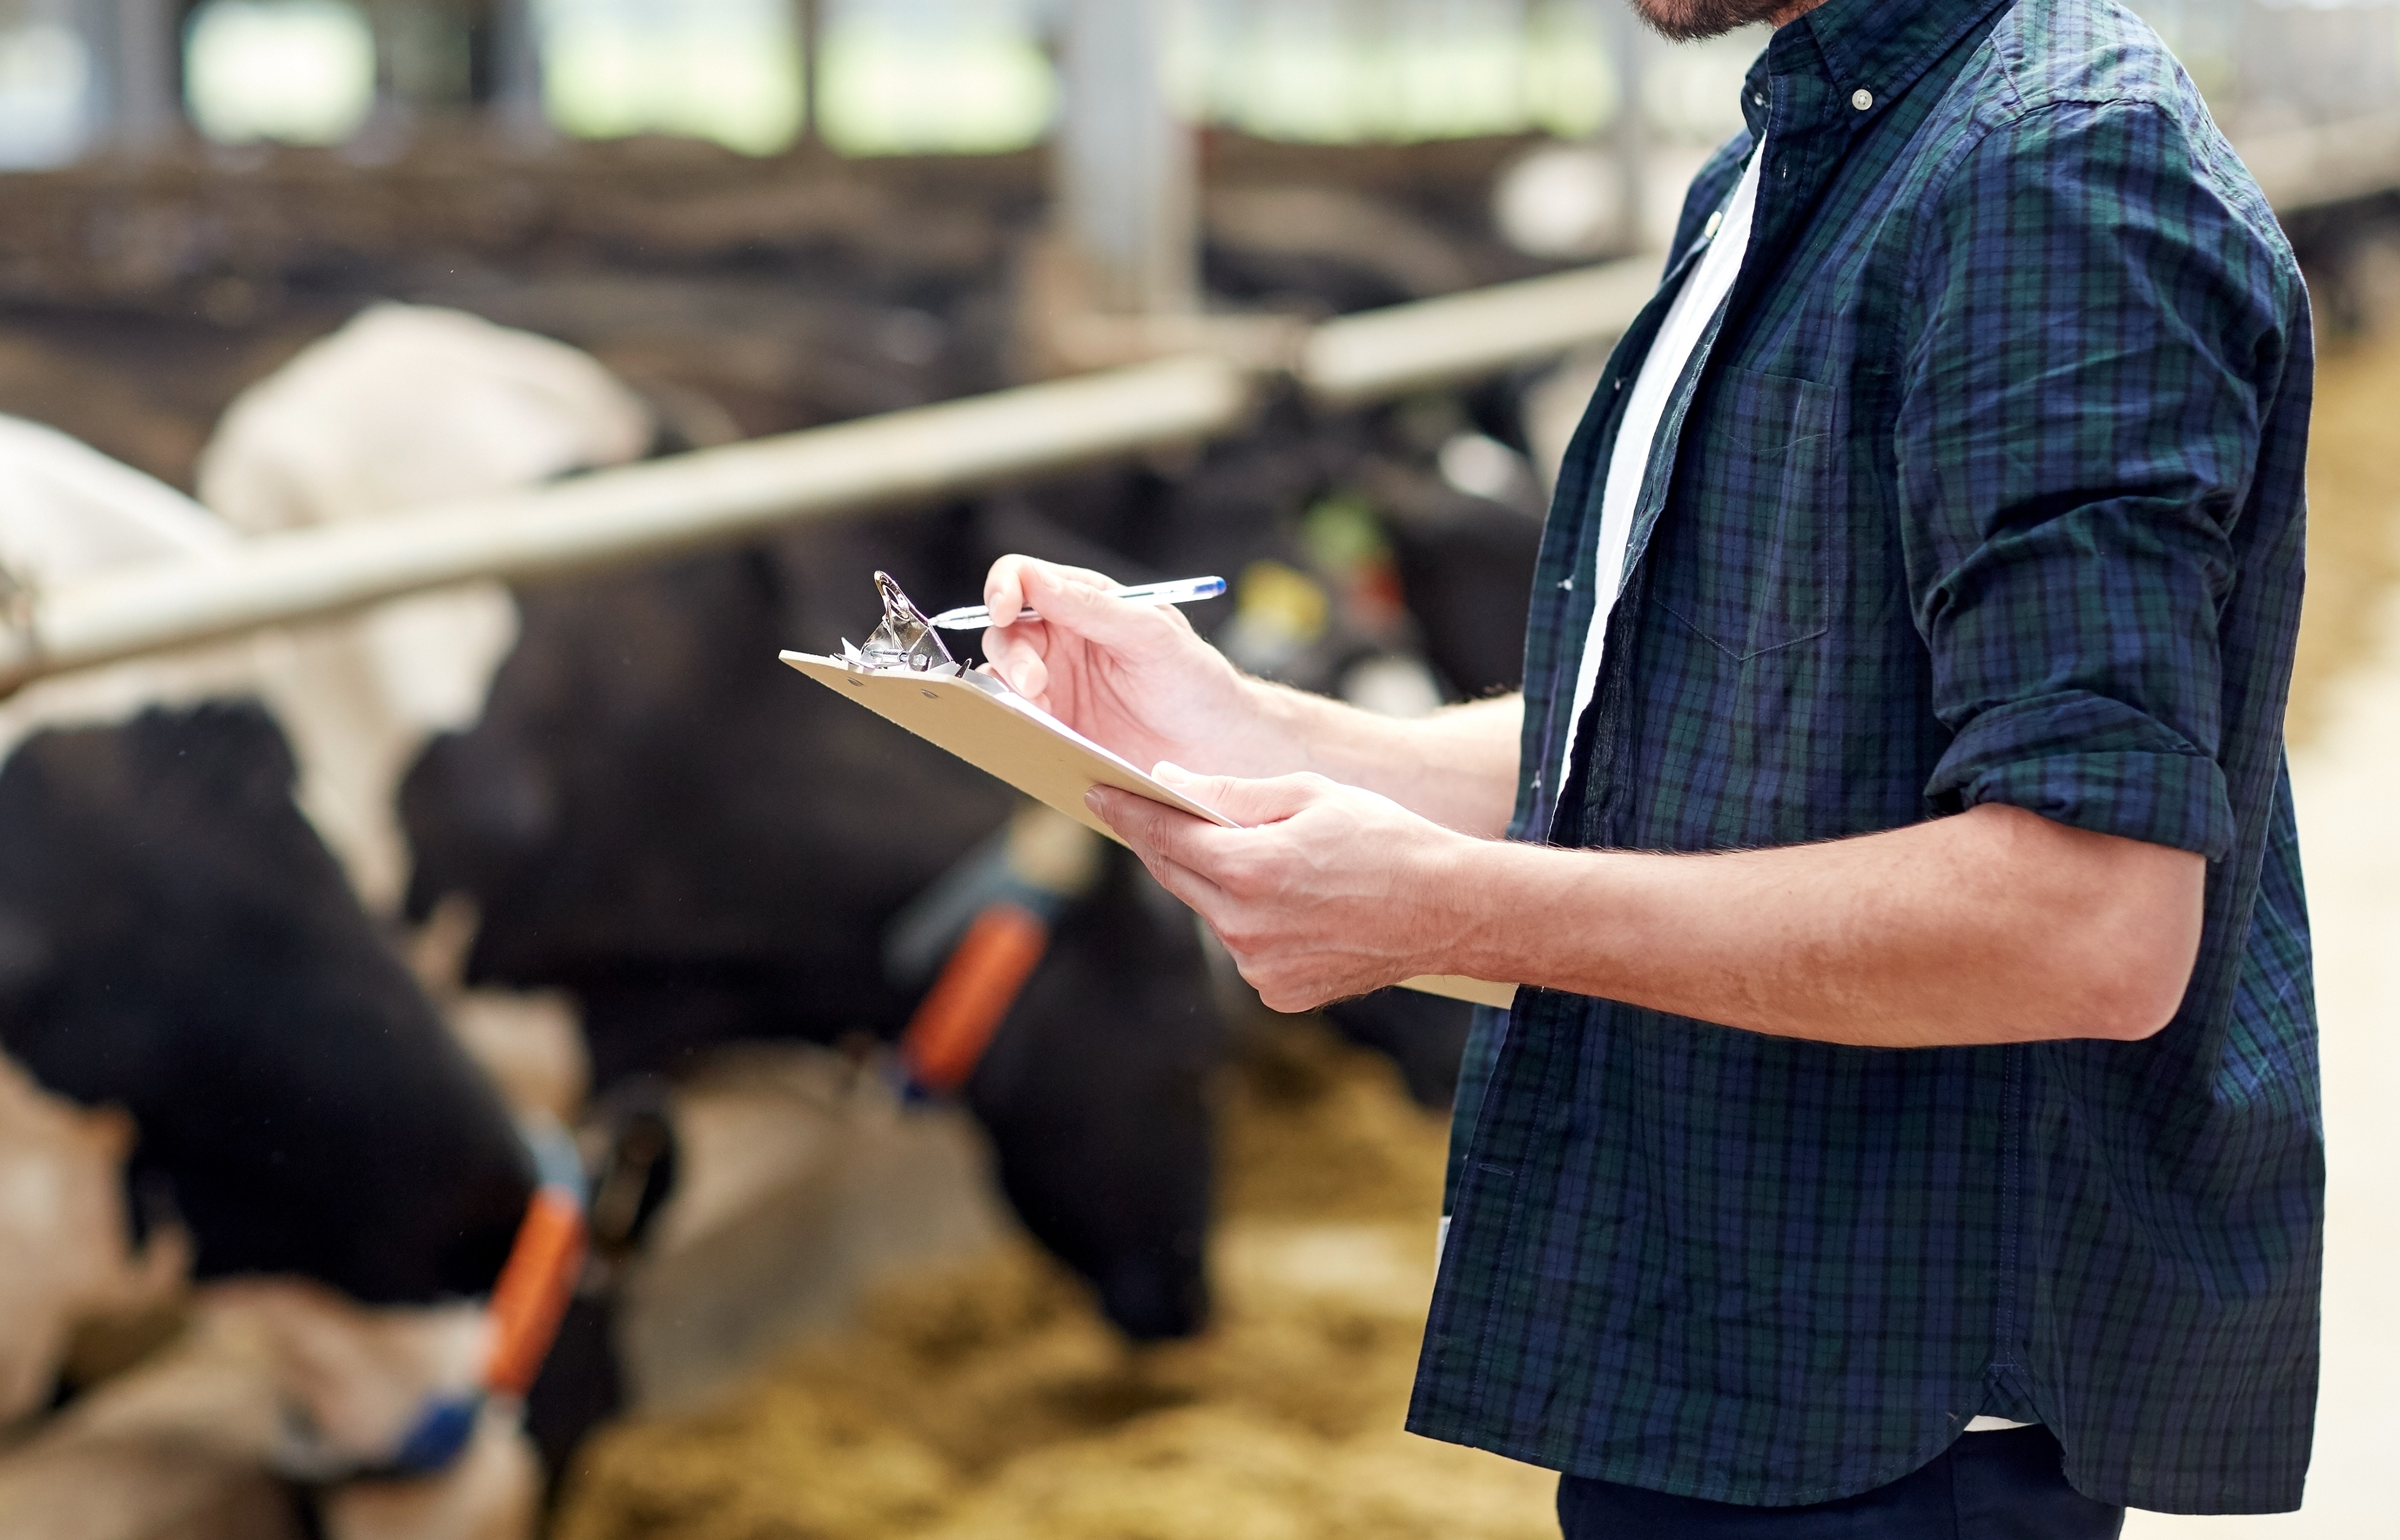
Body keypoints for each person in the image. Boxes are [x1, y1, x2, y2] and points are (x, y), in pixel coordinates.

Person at [978, 0, 2320, 1533]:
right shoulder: (1808, 151)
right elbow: (1731, 717)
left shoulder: (2055, 180)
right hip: (1726, 1314)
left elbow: (2080, 922)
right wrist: (1263, 733)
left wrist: (1450, 914)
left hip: (1884, 1388)